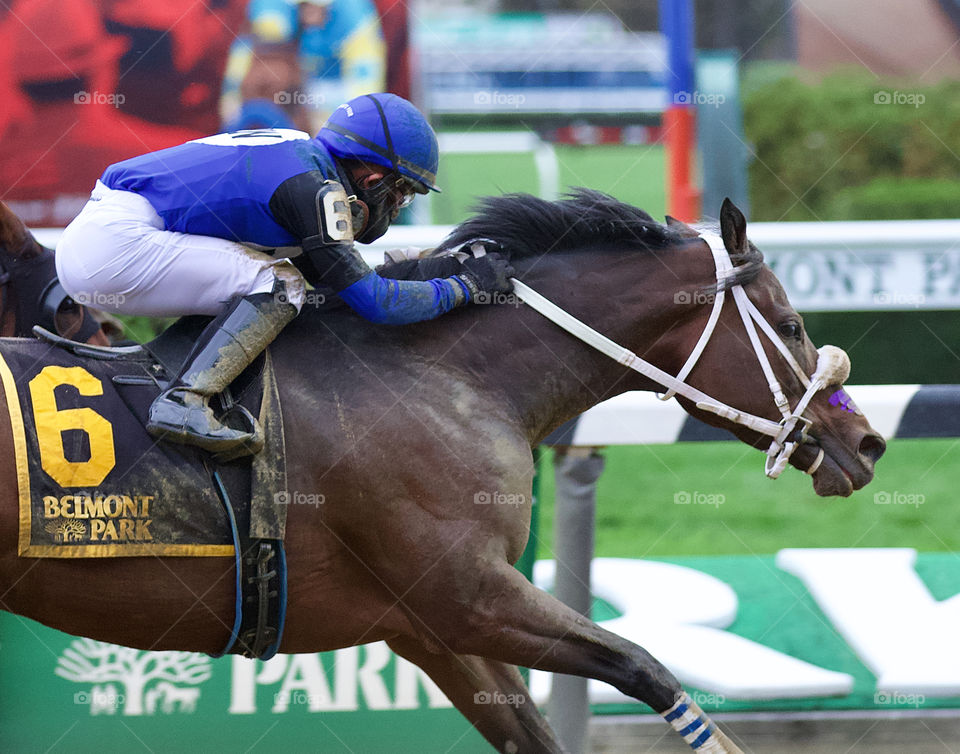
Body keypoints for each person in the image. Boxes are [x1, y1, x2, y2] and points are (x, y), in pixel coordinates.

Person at [56, 93, 514, 456]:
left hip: (107, 235)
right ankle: (183, 402)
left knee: (275, 282)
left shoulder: (306, 162)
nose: (398, 206)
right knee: (279, 284)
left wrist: (431, 264)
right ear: (375, 181)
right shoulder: (314, 189)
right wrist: (464, 287)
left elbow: (343, 280)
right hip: (114, 245)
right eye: (404, 194)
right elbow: (375, 303)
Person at [221, 0, 386, 132]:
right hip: (291, 91)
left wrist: (345, 118)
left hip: (333, 91)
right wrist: (231, 97)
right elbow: (243, 51)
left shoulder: (355, 15)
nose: (309, 13)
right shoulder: (270, 11)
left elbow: (367, 79)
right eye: (303, 5)